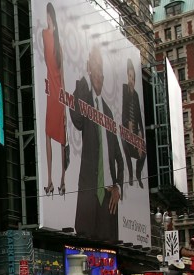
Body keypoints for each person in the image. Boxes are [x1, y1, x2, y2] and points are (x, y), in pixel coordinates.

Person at [70, 44, 123, 243]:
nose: (100, 74)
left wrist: (118, 187)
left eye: (102, 70)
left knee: (109, 249)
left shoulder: (108, 112)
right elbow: (77, 119)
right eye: (96, 67)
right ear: (88, 68)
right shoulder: (82, 93)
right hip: (89, 195)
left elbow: (119, 157)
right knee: (84, 244)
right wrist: (84, 81)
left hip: (108, 200)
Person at [41, 2, 68, 197]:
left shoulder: (57, 43)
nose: (47, 18)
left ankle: (60, 180)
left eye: (49, 15)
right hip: (53, 94)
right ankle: (52, 180)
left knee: (58, 138)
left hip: (56, 94)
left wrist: (65, 104)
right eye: (46, 15)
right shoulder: (46, 35)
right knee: (50, 135)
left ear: (53, 17)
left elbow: (63, 76)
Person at [121, 59, 145, 188]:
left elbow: (140, 118)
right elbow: (123, 111)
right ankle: (130, 174)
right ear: (127, 76)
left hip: (135, 132)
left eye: (133, 78)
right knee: (126, 148)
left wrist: (140, 137)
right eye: (130, 77)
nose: (131, 80)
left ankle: (138, 174)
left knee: (144, 153)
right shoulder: (124, 89)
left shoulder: (136, 94)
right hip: (125, 129)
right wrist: (127, 123)